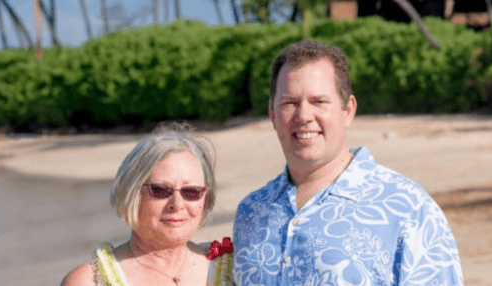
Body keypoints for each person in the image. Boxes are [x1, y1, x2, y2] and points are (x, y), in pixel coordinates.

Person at [232, 40, 464, 285]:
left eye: (319, 101)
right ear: (273, 114)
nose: (304, 116)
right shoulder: (251, 212)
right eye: (289, 103)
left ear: (348, 110)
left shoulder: (408, 208)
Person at [62, 123, 234, 286]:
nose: (177, 203)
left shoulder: (238, 270)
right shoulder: (87, 281)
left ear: (206, 197)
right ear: (130, 192)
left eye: (191, 191)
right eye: (160, 190)